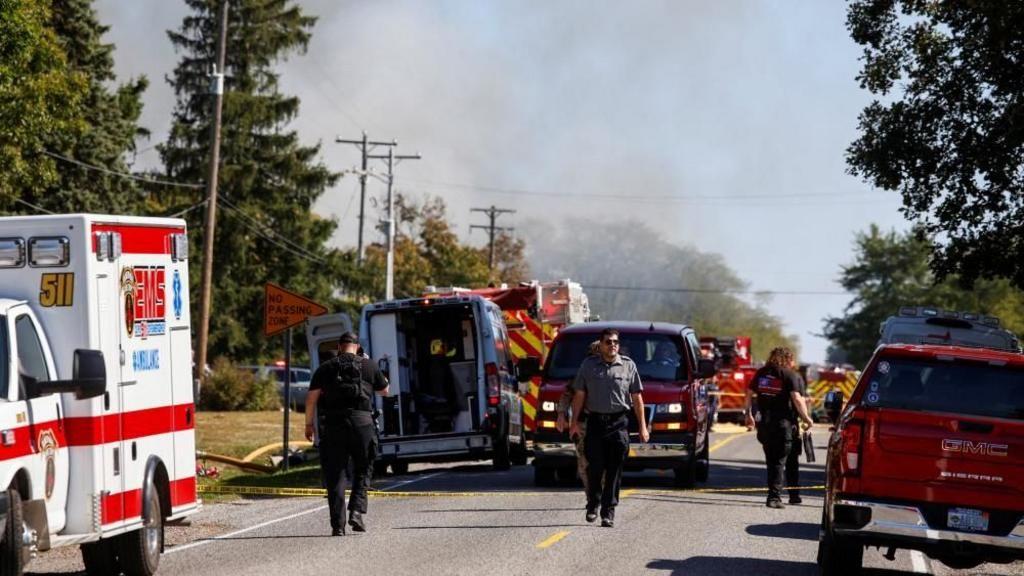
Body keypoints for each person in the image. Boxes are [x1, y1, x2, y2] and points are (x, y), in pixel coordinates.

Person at [305, 331, 389, 536]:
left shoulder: (325, 368)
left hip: (334, 425)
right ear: (357, 347)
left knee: (336, 475)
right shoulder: (369, 365)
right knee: (363, 469)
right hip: (362, 424)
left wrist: (309, 425)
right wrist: (374, 369)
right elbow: (385, 390)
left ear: (339, 347)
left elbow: (311, 399)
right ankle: (356, 512)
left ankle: (338, 525)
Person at [569, 329, 649, 528]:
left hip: (619, 423)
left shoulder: (628, 366)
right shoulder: (588, 365)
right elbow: (579, 395)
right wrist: (574, 422)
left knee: (614, 470)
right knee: (595, 466)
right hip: (595, 423)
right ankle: (593, 504)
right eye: (608, 342)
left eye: (615, 342)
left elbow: (637, 398)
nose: (612, 345)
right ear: (601, 345)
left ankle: (608, 512)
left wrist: (643, 427)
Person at [744, 347, 813, 509]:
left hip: (765, 425)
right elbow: (797, 398)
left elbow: (748, 393)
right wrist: (807, 419)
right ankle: (774, 498)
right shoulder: (789, 375)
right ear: (787, 359)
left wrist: (748, 414)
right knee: (781, 461)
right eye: (792, 360)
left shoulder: (761, 373)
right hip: (784, 425)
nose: (794, 363)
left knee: (778, 460)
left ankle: (794, 495)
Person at [556, 340, 601, 493]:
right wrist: (561, 414)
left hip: (606, 424)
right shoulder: (580, 376)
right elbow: (567, 395)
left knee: (605, 460)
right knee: (583, 459)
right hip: (584, 423)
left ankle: (602, 492)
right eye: (592, 356)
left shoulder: (614, 374)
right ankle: (592, 494)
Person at [785, 371, 809, 505]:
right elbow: (799, 399)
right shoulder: (794, 377)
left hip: (769, 424)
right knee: (792, 464)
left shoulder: (767, 374)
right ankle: (793, 495)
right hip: (790, 425)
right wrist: (807, 419)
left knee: (774, 463)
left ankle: (773, 496)